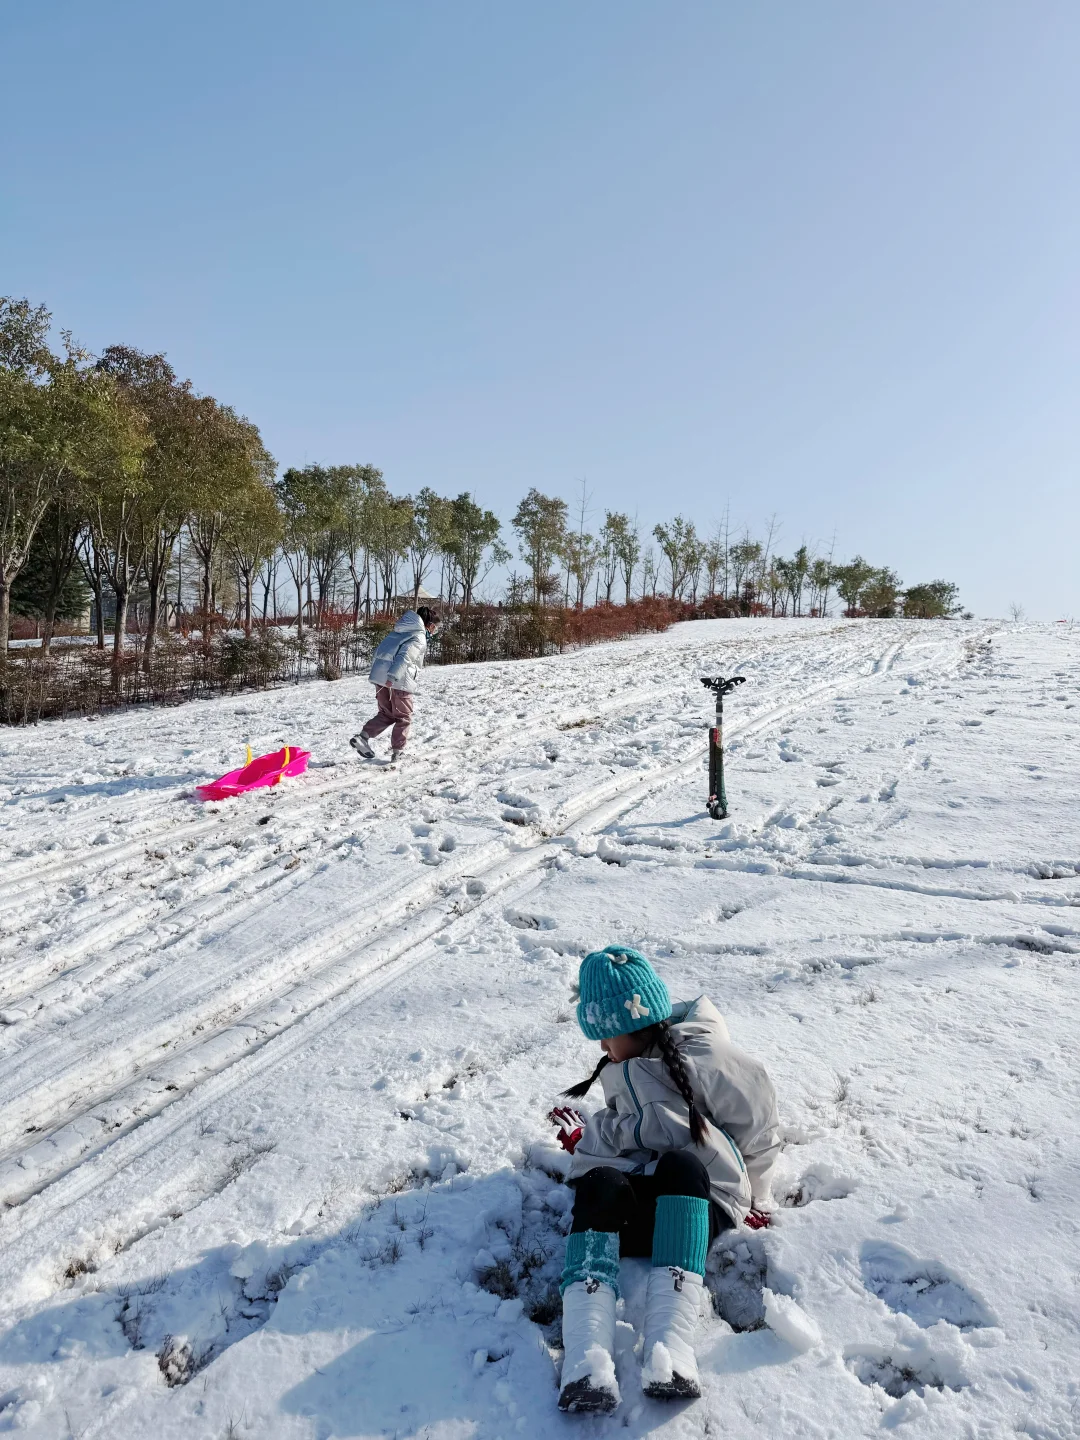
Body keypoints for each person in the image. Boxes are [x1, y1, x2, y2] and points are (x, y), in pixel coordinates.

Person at [548, 944, 779, 1413]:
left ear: (633, 1026)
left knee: (682, 1163)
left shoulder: (705, 1056)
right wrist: (590, 1146)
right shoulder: (623, 1063)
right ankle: (585, 1362)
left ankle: (671, 1353)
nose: (600, 1048)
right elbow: (633, 1130)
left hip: (699, 1205)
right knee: (599, 1183)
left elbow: (758, 1122)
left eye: (605, 1036)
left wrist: (759, 1194)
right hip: (647, 1214)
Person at [350, 606, 441, 764]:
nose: (435, 631)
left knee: (386, 714)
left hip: (381, 679)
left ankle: (363, 737)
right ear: (430, 625)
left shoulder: (399, 632)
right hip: (399, 680)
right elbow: (405, 657)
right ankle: (398, 753)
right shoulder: (419, 636)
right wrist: (393, 676)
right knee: (403, 717)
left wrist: (381, 676)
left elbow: (379, 652)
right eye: (436, 628)